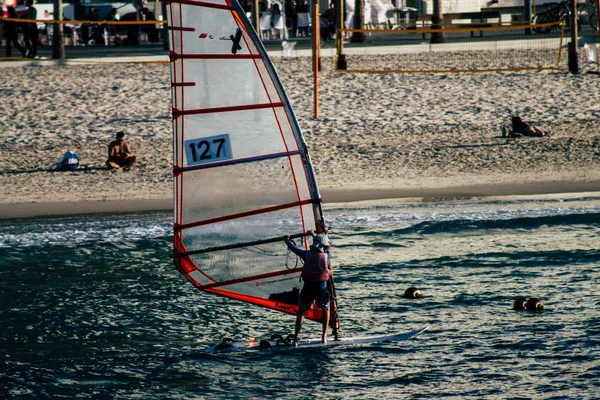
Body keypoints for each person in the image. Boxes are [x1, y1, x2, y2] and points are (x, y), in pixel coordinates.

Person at [284, 230, 332, 346]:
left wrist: (287, 240)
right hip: (321, 290)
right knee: (326, 309)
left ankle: (296, 338)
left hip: (308, 290)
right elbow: (328, 248)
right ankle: (324, 336)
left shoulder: (306, 255)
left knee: (301, 311)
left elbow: (294, 249)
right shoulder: (327, 256)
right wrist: (315, 235)